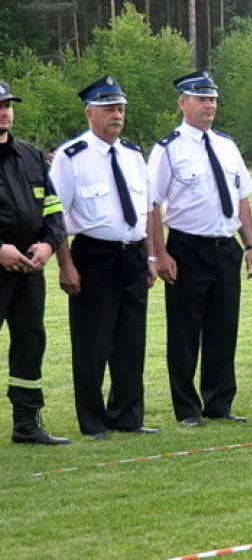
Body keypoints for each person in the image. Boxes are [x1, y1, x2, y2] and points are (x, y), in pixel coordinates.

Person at [147, 69, 252, 427]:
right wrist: (160, 253)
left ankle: (219, 403)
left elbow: (243, 198)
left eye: (212, 99)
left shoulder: (227, 146)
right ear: (183, 103)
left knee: (223, 329)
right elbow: (152, 204)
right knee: (184, 333)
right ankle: (187, 409)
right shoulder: (168, 150)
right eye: (201, 99)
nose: (209, 105)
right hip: (187, 248)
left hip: (226, 248)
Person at [50, 75, 158, 440]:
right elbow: (56, 218)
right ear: (89, 113)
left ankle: (127, 415)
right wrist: (66, 264)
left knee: (131, 341)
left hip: (133, 255)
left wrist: (151, 258)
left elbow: (145, 210)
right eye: (109, 108)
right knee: (93, 342)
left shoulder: (132, 155)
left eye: (121, 108)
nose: (117, 115)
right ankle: (92, 421)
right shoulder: (71, 157)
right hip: (94, 256)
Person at [0, 81, 69, 445]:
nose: (5, 111)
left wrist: (48, 244)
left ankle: (27, 423)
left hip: (29, 267)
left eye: (8, 105)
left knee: (30, 340)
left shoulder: (30, 155)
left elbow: (53, 209)